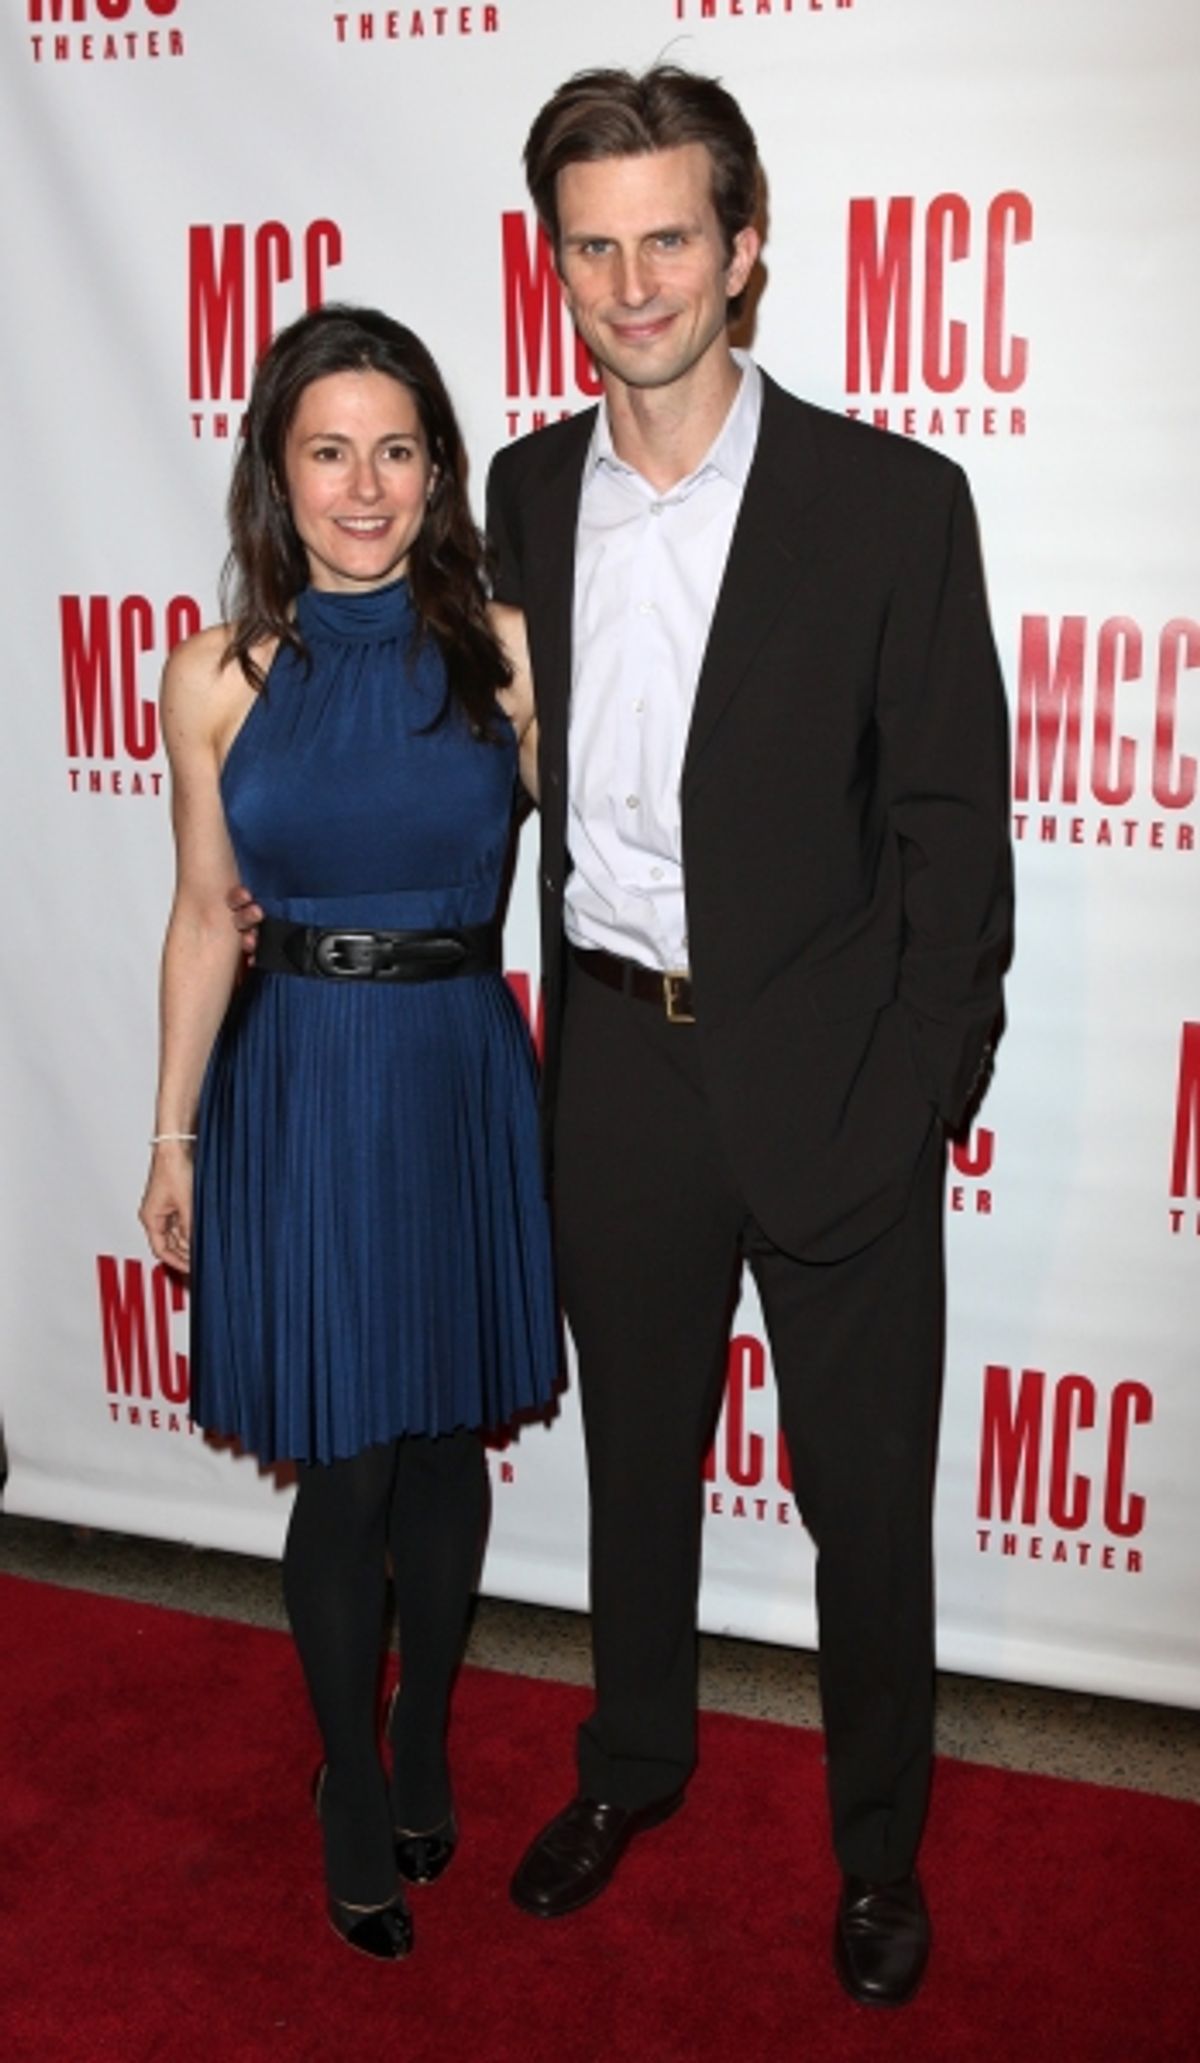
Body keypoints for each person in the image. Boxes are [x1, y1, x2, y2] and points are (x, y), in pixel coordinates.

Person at [484, 67, 1012, 2006]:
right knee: (636, 1461)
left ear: (746, 247)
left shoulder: (891, 503)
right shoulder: (527, 490)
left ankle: (880, 1851)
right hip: (616, 1063)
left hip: (833, 1079)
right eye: (594, 245)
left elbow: (958, 845)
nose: (634, 283)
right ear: (560, 264)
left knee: (866, 1496)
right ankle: (634, 1763)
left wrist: (910, 1100)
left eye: (670, 239)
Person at [139, 304, 558, 1962]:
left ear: (438, 469)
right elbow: (196, 921)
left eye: (397, 448)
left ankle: (431, 1733)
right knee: (354, 1455)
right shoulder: (218, 676)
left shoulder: (509, 653)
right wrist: (173, 1137)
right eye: (330, 450)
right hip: (303, 1074)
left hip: (459, 1065)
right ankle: (346, 1768)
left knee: (444, 1437)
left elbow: (622, 860)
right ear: (280, 472)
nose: (365, 485)